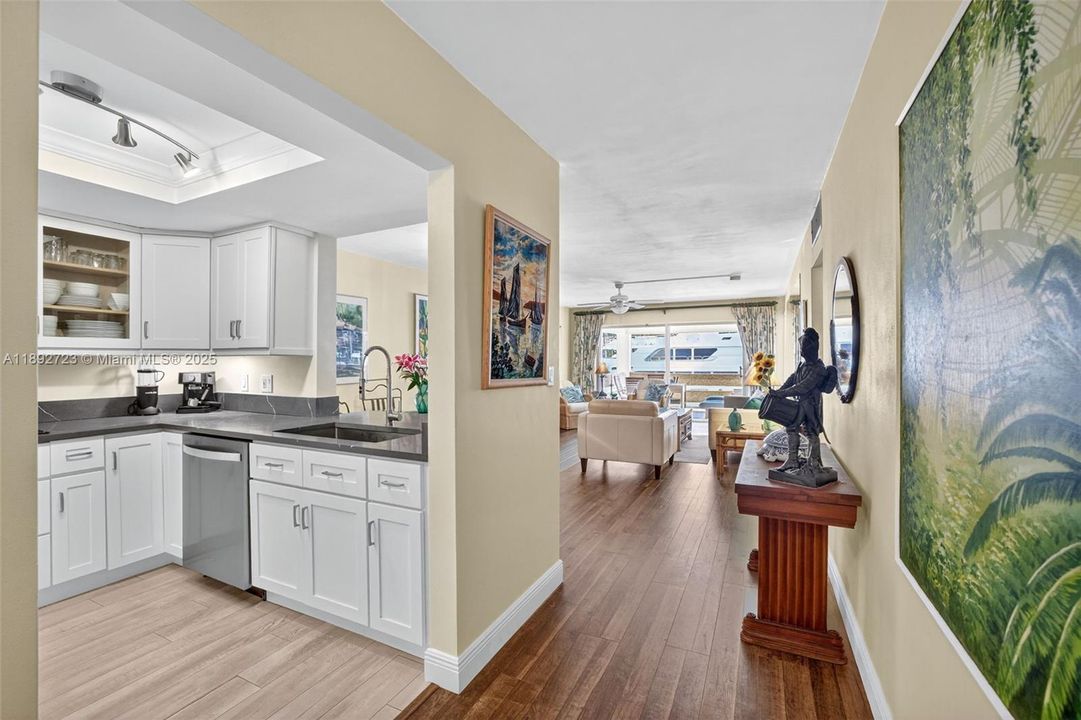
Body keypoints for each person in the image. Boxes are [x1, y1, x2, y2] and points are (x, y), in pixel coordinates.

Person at [769, 328, 835, 473]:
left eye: (804, 346)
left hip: (811, 405)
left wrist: (782, 394)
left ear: (812, 347)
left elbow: (802, 387)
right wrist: (779, 391)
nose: (802, 350)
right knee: (791, 428)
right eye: (801, 346)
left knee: (812, 432)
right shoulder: (803, 365)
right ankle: (792, 460)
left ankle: (814, 463)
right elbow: (793, 379)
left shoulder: (819, 369)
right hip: (800, 404)